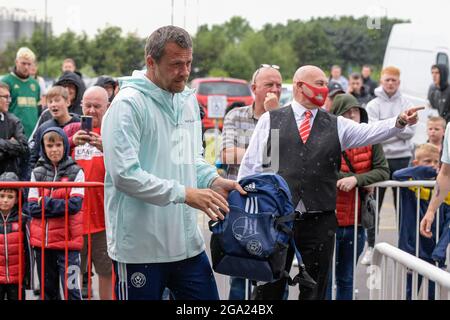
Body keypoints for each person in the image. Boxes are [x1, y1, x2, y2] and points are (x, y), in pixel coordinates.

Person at [237, 64, 423, 300]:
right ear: (299, 86)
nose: (325, 89)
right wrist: (246, 207)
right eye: (320, 84)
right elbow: (253, 166)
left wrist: (398, 121)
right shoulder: (271, 120)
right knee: (269, 287)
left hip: (320, 220)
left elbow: (369, 132)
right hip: (277, 219)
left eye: (326, 83)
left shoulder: (336, 124)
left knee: (315, 288)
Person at [102, 25, 246, 300]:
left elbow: (189, 158)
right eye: (176, 64)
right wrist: (185, 193)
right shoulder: (128, 106)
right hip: (140, 249)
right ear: (151, 62)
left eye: (189, 62)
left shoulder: (187, 100)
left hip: (186, 246)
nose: (185, 71)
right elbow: (125, 175)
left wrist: (212, 180)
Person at [221, 64, 282, 299]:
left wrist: (274, 118)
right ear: (254, 88)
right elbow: (226, 154)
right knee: (240, 274)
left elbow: (279, 158)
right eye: (269, 85)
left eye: (278, 85)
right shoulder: (236, 116)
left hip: (272, 209)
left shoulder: (285, 117)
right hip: (241, 206)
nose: (275, 90)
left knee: (274, 276)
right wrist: (262, 152)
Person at [326, 94, 389, 300]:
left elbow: (383, 171)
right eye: (347, 111)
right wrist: (357, 179)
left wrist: (356, 180)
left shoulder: (371, 139)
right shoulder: (326, 138)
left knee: (346, 277)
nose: (352, 115)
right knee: (323, 277)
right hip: (327, 218)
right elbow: (321, 170)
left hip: (356, 221)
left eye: (355, 111)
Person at [64, 86, 112, 300]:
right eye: (88, 105)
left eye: (97, 106)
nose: (92, 111)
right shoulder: (70, 131)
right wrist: (70, 144)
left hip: (104, 220)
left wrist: (107, 148)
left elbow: (132, 164)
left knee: (106, 272)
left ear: (108, 107)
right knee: (73, 275)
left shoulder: (114, 131)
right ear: (81, 105)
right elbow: (46, 157)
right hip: (73, 219)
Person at [364, 66, 416, 263]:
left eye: (394, 80)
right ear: (381, 81)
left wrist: (387, 128)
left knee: (402, 206)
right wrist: (397, 127)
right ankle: (370, 246)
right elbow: (372, 131)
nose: (390, 83)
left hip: (402, 158)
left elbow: (411, 132)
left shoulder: (407, 103)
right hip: (379, 159)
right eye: (387, 80)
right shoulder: (373, 104)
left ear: (399, 82)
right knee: (373, 205)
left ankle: (404, 249)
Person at [27, 128, 84, 300]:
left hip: (69, 245)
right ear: (43, 147)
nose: (54, 149)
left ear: (65, 146)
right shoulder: (36, 172)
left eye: (58, 145)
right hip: (43, 245)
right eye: (50, 145)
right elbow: (32, 208)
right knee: (47, 293)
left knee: (72, 292)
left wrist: (44, 203)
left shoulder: (77, 172)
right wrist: (57, 206)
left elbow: (75, 205)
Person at [393, 143, 450, 299]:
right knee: (410, 291)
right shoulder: (412, 181)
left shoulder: (444, 189)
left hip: (434, 249)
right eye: (427, 161)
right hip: (413, 247)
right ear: (416, 164)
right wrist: (424, 171)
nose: (432, 166)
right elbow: (397, 175)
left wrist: (441, 249)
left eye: (435, 162)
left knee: (433, 292)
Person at [28, 86, 80, 172]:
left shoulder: (79, 124)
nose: (53, 104)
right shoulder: (44, 127)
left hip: (74, 175)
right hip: (49, 177)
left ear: (68, 102)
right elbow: (34, 156)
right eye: (50, 102)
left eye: (57, 100)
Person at [0, 172, 30, 300]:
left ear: (17, 199)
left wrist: (28, 276)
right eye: (1, 196)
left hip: (17, 278)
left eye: (10, 196)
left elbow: (28, 251)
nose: (5, 200)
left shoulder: (23, 220)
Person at [1, 47, 40, 139]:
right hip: (12, 135)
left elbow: (37, 110)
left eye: (29, 64)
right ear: (16, 62)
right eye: (23, 63)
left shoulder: (35, 84)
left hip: (32, 135)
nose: (26, 67)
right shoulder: (6, 81)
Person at [0, 82, 29, 177]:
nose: (9, 101)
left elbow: (23, 147)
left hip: (8, 179)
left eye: (9, 97)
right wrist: (10, 144)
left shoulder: (14, 121)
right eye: (5, 97)